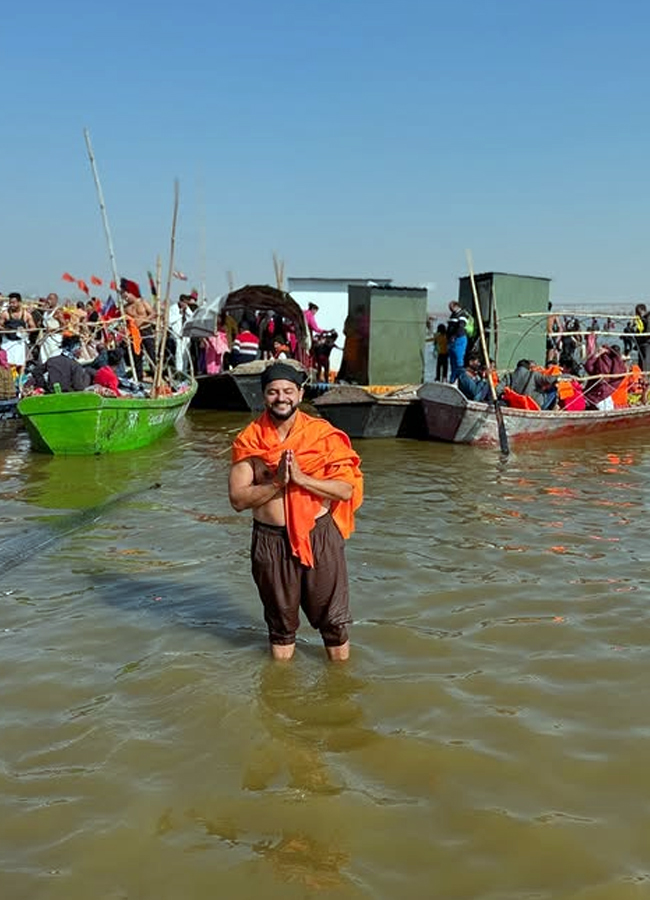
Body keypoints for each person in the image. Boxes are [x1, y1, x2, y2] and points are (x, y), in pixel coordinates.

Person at [229, 362, 364, 661]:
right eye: (273, 392)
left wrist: (302, 480)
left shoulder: (323, 436)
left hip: (319, 537)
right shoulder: (249, 440)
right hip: (270, 541)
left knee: (334, 623)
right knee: (280, 626)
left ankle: (339, 694)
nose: (281, 397)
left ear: (300, 393)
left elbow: (345, 489)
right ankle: (279, 696)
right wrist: (278, 482)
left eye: (288, 391)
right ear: (263, 395)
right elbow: (238, 499)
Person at [122, 279, 156, 380]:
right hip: (134, 333)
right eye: (123, 297)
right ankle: (139, 377)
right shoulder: (125, 307)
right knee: (137, 356)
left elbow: (153, 313)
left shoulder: (142, 302)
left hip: (146, 330)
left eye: (126, 295)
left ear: (131, 293)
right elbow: (124, 322)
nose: (125, 298)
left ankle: (156, 375)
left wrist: (143, 320)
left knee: (151, 354)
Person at [0, 292, 36, 376]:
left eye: (14, 303)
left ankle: (20, 384)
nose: (11, 305)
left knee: (21, 365)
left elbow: (33, 327)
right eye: (10, 303)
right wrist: (6, 329)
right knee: (7, 363)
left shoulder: (26, 315)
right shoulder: (5, 314)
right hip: (7, 342)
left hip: (19, 343)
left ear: (19, 302)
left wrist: (25, 330)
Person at [583, 344, 626, 410]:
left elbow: (588, 366)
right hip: (598, 387)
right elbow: (589, 367)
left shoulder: (615, 361)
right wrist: (597, 354)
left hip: (605, 389)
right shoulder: (606, 360)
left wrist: (597, 355)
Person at [446, 302, 469, 383]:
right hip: (451, 342)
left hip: (459, 339)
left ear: (456, 306)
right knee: (452, 361)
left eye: (451, 307)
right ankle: (452, 380)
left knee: (459, 361)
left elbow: (461, 326)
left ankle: (460, 381)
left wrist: (455, 336)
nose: (450, 309)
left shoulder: (462, 314)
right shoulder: (453, 315)